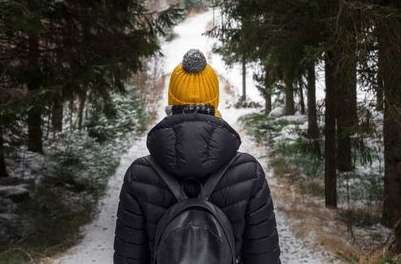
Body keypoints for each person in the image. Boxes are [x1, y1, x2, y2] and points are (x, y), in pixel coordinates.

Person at [114, 49, 280, 264]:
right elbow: (264, 258)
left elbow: (129, 259)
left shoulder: (139, 174)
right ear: (214, 101)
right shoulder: (249, 172)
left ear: (171, 101)